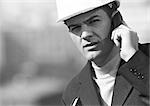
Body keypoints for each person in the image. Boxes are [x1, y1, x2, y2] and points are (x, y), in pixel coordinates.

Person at [56, 0, 149, 105]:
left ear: (116, 21)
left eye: (94, 21)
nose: (85, 34)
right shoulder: (72, 93)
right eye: (76, 28)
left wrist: (133, 59)